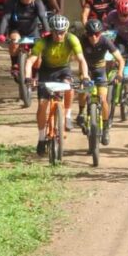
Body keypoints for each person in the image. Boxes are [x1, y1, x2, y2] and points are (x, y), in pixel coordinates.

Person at [24, 15, 90, 156]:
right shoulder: (43, 41)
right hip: (46, 71)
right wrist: (28, 77)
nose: (58, 35)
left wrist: (85, 76)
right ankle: (41, 138)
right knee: (42, 104)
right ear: (51, 31)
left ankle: (67, 116)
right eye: (55, 32)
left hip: (63, 70)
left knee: (69, 85)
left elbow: (81, 60)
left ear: (66, 31)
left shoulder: (72, 39)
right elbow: (30, 61)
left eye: (61, 32)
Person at [76, 18, 125, 145]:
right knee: (82, 89)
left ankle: (106, 129)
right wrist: (84, 76)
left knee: (103, 100)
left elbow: (120, 59)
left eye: (97, 34)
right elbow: (75, 57)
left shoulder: (105, 41)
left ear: (100, 33)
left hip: (99, 71)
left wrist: (119, 73)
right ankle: (81, 112)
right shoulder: (82, 41)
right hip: (85, 69)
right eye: (91, 34)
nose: (94, 37)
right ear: (86, 34)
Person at [0, 0, 50, 77]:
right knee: (14, 42)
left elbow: (42, 17)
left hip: (33, 31)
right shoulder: (12, 2)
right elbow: (5, 18)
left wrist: (47, 31)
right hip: (16, 29)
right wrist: (1, 34)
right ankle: (15, 64)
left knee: (38, 56)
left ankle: (35, 74)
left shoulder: (37, 2)